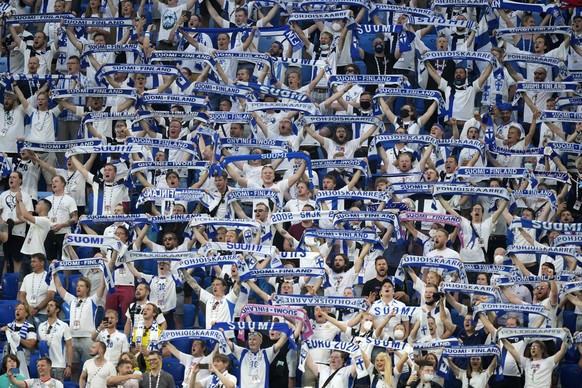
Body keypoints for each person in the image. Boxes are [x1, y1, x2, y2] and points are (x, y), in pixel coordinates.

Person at [502, 332, 570, 388]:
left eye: (535, 347)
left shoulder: (549, 361)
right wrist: (502, 337)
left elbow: (562, 351)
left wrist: (567, 335)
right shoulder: (526, 362)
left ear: (542, 350)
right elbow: (511, 349)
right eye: (531, 347)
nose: (533, 348)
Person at [225, 329, 289, 388]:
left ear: (261, 341)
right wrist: (220, 331)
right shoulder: (242, 352)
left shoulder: (266, 353)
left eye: (254, 339)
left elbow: (280, 343)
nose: (251, 341)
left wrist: (287, 330)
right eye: (250, 339)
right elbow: (228, 342)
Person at [37, 300, 73, 381]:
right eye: (47, 305)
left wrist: (69, 365)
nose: (48, 307)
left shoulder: (64, 326)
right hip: (43, 365)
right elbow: (37, 345)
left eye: (51, 305)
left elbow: (69, 346)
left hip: (58, 365)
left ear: (57, 310)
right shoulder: (41, 326)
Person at [17, 252, 55, 325]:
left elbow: (50, 296)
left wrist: (37, 309)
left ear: (42, 263)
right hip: (28, 314)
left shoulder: (50, 277)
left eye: (34, 261)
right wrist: (28, 308)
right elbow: (22, 295)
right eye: (31, 262)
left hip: (43, 314)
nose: (31, 264)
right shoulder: (27, 277)